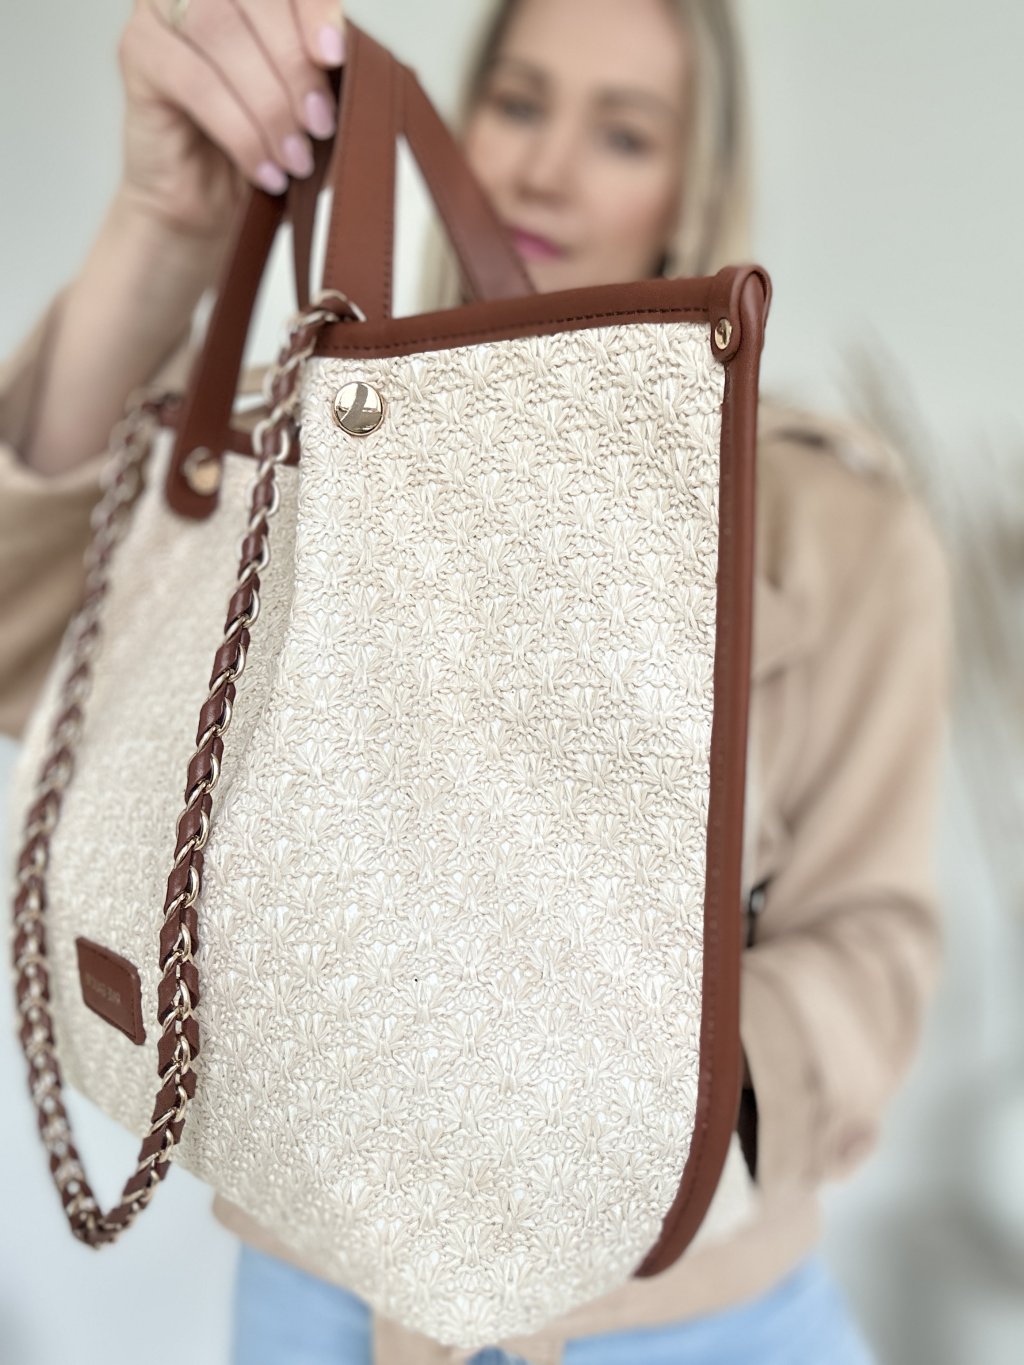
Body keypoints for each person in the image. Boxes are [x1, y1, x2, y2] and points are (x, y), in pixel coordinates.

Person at [0, 1, 952, 1363]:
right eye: (517, 101)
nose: (547, 167)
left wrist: (673, 1132)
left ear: (695, 177)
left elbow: (873, 939)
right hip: (315, 1291)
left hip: (683, 1315)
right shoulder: (313, 448)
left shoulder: (835, 524)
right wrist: (162, 226)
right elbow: (34, 632)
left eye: (624, 133)